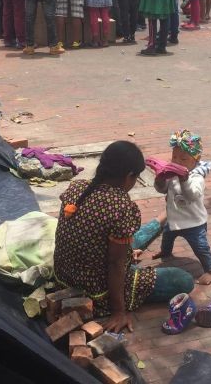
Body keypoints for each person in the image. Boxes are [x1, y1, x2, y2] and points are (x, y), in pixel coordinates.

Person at [53, 141, 194, 333]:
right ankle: (165, 217)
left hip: (65, 277)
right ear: (129, 176)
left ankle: (165, 216)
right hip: (94, 289)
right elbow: (115, 265)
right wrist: (119, 312)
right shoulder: (121, 208)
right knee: (183, 280)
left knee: (129, 240)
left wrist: (126, 254)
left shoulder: (76, 188)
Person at [153, 129, 211, 285]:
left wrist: (184, 179)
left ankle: (210, 270)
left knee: (200, 247)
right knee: (167, 237)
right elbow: (162, 190)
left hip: (193, 223)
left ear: (196, 160)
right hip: (174, 219)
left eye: (183, 159)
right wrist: (160, 180)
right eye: (174, 157)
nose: (178, 162)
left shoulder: (196, 177)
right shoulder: (171, 173)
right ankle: (166, 252)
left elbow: (192, 195)